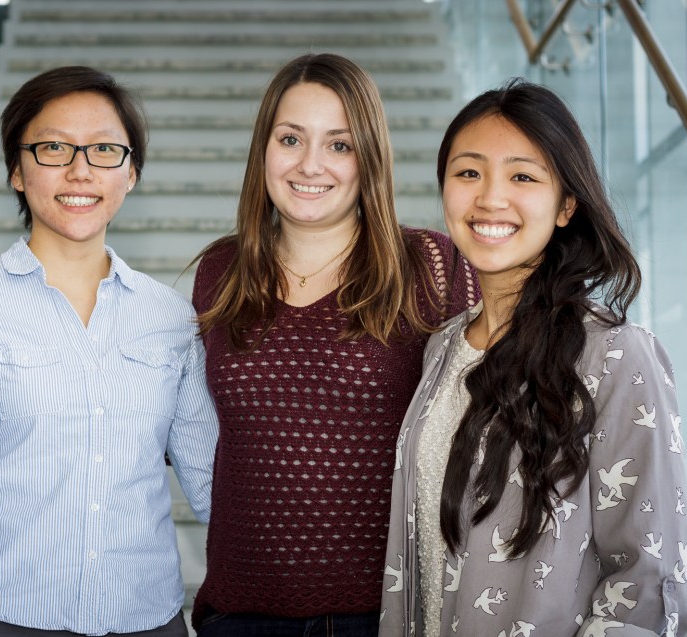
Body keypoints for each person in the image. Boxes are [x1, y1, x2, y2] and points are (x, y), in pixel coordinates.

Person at [379, 81, 687, 636]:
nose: (490, 198)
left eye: (522, 176)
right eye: (468, 172)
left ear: (566, 203)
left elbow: (646, 581)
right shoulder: (442, 346)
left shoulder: (616, 354)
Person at [0, 66, 218, 637]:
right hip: (1, 617)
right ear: (16, 170)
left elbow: (213, 484)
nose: (81, 169)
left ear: (131, 173)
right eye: (54, 148)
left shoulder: (170, 318)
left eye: (105, 150)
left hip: (147, 620)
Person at [190, 53, 477, 636]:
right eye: (290, 138)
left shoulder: (431, 264)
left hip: (385, 614)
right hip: (239, 613)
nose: (310, 164)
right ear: (263, 149)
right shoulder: (222, 269)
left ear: (369, 156)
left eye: (339, 145)